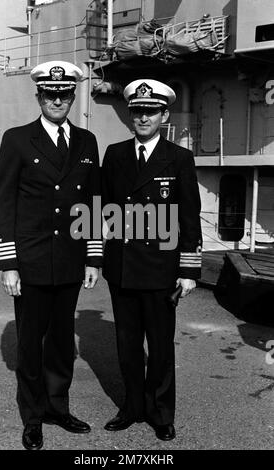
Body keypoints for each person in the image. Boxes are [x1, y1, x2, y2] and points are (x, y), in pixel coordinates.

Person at [0, 60, 102, 450]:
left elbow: (92, 201)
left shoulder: (87, 142)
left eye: (64, 94)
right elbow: (3, 202)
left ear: (72, 96)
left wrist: (92, 257)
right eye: (50, 94)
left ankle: (58, 407)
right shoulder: (18, 139)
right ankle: (33, 416)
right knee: (30, 344)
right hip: (32, 260)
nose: (57, 100)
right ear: (39, 96)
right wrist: (8, 263)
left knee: (60, 342)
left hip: (70, 261)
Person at [101, 79, 202, 441]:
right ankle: (131, 407)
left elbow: (189, 216)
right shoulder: (114, 154)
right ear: (130, 115)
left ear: (164, 115)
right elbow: (104, 211)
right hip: (124, 266)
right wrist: (98, 258)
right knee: (127, 344)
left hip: (160, 268)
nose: (143, 117)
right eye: (137, 112)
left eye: (151, 111)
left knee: (159, 346)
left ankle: (160, 412)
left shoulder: (179, 158)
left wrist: (189, 269)